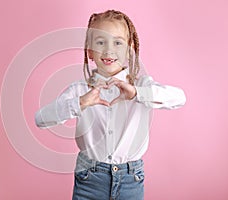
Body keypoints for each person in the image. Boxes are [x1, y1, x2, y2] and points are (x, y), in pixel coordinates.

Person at [35, 10, 186, 200]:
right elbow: (40, 119)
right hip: (89, 178)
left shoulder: (141, 86)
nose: (108, 50)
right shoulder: (80, 90)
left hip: (131, 179)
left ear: (129, 49)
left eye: (117, 42)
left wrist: (138, 94)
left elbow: (179, 98)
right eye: (100, 42)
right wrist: (80, 103)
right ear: (89, 51)